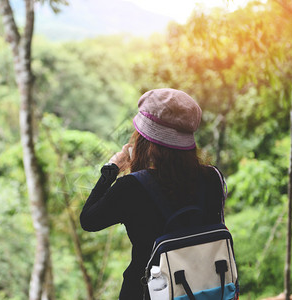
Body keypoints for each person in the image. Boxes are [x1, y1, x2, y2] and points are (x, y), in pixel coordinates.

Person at [80, 88, 227, 299]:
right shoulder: (213, 178)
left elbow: (88, 220)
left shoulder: (131, 188)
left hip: (145, 292)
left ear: (146, 141)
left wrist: (111, 169)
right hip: (206, 289)